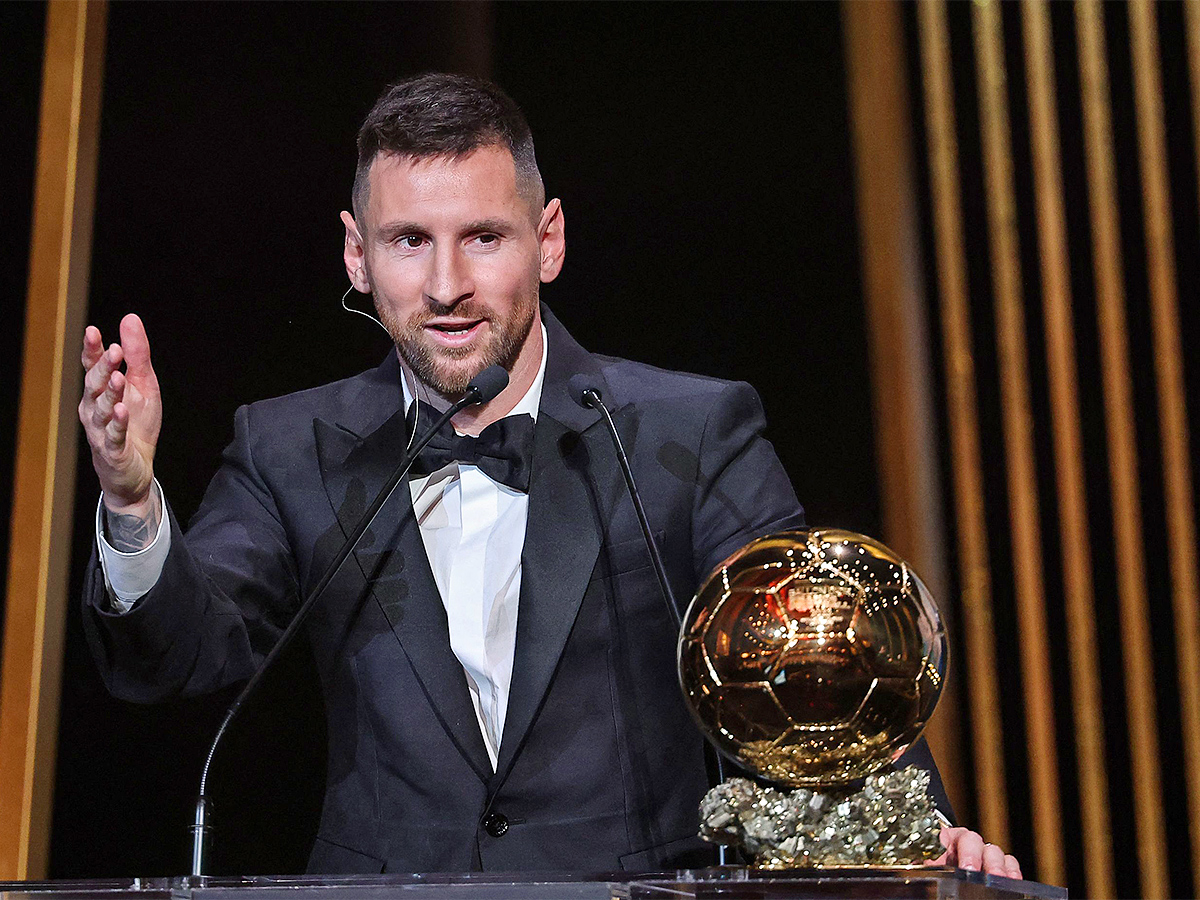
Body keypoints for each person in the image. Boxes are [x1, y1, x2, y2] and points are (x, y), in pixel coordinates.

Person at [78, 73, 1021, 879]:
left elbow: (806, 664)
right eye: (409, 241)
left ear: (550, 239)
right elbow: (178, 656)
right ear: (357, 257)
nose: (446, 284)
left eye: (484, 237)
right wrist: (129, 501)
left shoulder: (687, 432)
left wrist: (912, 838)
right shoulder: (291, 446)